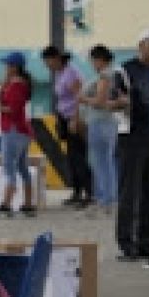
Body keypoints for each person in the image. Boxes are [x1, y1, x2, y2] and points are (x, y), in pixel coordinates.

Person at [112, 27, 149, 261]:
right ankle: (127, 242)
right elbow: (113, 99)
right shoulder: (125, 70)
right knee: (129, 192)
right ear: (142, 44)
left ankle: (145, 240)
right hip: (131, 138)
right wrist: (123, 102)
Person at [42, 46, 93, 208]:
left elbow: (80, 97)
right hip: (64, 118)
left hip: (74, 119)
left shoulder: (71, 73)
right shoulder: (60, 73)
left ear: (56, 58)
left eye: (48, 61)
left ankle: (89, 193)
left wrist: (75, 119)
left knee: (79, 156)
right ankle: (77, 192)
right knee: (71, 156)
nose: (47, 64)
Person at [0, 52, 36, 216]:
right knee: (22, 168)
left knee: (9, 167)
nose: (5, 68)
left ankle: (6, 204)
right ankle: (27, 204)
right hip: (20, 131)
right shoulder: (15, 83)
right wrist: (3, 85)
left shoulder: (17, 85)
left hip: (13, 130)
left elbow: (13, 109)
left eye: (8, 65)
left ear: (14, 67)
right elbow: (1, 95)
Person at [79, 44, 120, 212]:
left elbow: (100, 101)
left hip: (100, 122)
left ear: (100, 60)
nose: (92, 64)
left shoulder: (104, 76)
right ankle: (109, 198)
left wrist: (83, 99)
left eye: (93, 60)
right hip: (109, 122)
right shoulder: (116, 74)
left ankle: (105, 199)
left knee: (101, 162)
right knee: (107, 162)